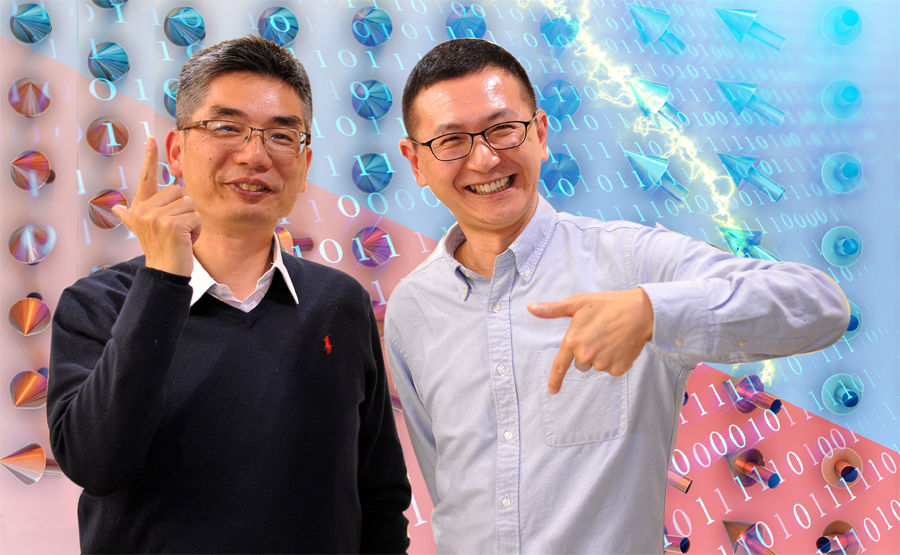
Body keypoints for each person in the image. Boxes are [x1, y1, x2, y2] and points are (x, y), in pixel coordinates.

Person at [386, 38, 849, 553]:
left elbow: (820, 306)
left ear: (540, 133)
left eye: (502, 128)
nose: (484, 158)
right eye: (451, 140)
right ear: (415, 161)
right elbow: (445, 485)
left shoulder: (629, 261)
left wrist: (652, 311)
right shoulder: (412, 307)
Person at [48, 36, 411, 554]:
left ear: (305, 165)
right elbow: (97, 464)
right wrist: (162, 281)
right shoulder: (99, 303)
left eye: (282, 136)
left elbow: (380, 496)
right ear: (177, 151)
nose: (254, 155)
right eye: (226, 127)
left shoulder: (339, 303)